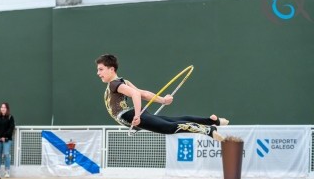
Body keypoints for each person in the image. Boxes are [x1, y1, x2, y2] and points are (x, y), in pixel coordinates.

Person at [95, 54, 229, 141]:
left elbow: (136, 94)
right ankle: (213, 121)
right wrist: (163, 100)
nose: (98, 73)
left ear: (111, 69)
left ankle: (208, 130)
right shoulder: (123, 81)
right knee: (174, 120)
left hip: (130, 116)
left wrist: (136, 115)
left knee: (169, 128)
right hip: (135, 114)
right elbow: (144, 94)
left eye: (101, 69)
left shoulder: (114, 84)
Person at [0, 102, 15, 178]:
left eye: (4, 107)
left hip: (7, 140)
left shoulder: (10, 117)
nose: (3, 109)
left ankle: (7, 171)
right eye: (1, 107)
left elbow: (11, 128)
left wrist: (5, 137)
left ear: (7, 109)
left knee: (6, 154)